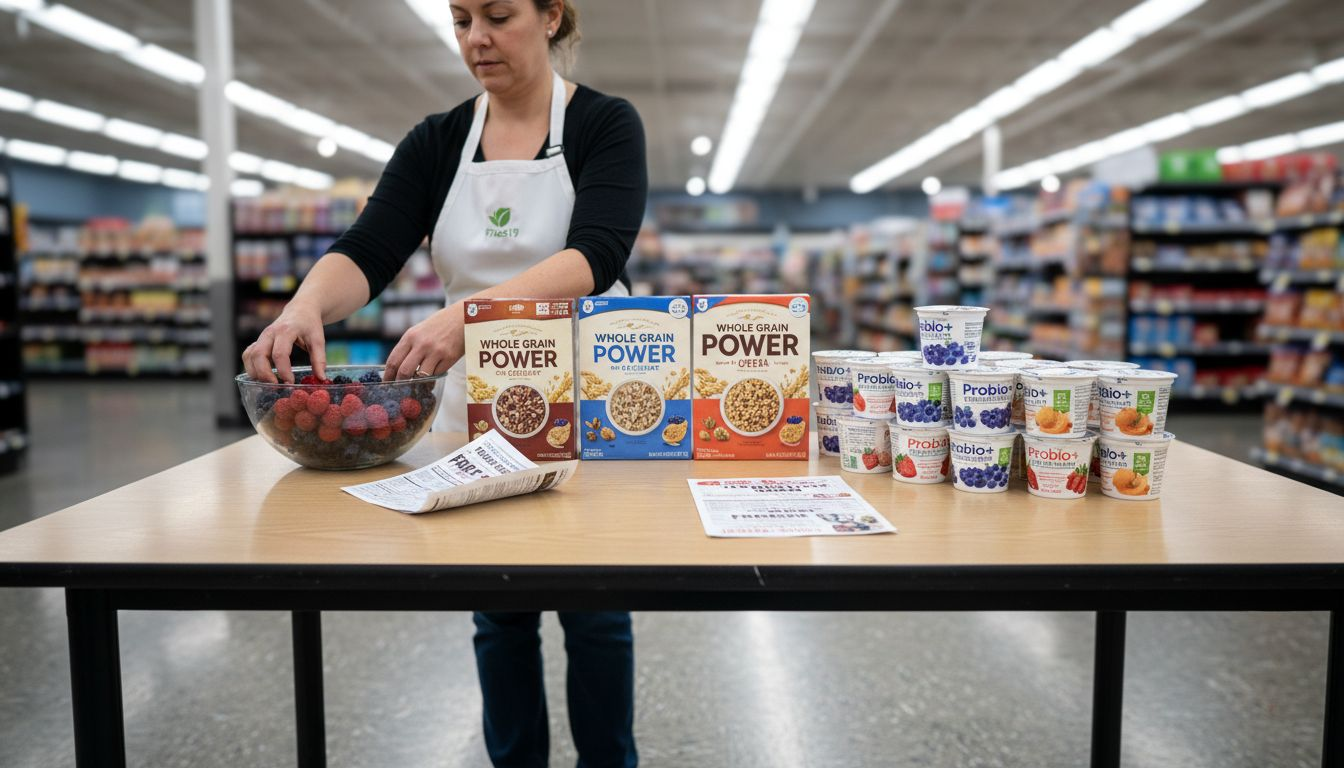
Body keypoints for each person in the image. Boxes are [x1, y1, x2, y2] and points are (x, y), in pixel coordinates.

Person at [241, 1, 645, 765]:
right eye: (460, 19)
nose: (475, 39)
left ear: (552, 15)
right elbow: (369, 246)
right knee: (500, 610)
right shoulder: (437, 142)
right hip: (477, 416)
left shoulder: (603, 124)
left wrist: (472, 317)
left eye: (497, 15)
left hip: (588, 408)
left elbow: (597, 253)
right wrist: (300, 308)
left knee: (596, 614)